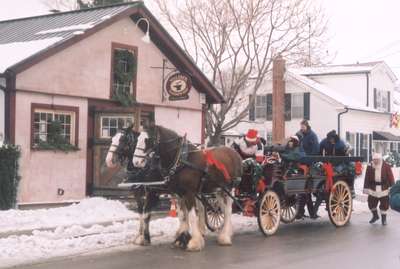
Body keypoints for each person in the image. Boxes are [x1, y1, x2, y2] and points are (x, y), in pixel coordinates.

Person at [296, 120, 319, 219]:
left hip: (309, 163)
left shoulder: (312, 136)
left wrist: (309, 159)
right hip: (300, 163)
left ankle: (303, 212)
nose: (302, 128)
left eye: (303, 126)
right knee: (304, 190)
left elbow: (315, 149)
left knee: (306, 190)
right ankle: (310, 213)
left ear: (307, 126)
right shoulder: (298, 134)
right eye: (301, 126)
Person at [363, 153, 395, 225]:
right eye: (374, 160)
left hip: (384, 189)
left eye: (377, 160)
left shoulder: (386, 166)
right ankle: (375, 216)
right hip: (373, 189)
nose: (375, 161)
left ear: (380, 159)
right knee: (371, 203)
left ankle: (384, 220)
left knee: (384, 204)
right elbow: (367, 178)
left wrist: (392, 187)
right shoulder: (370, 166)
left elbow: (390, 176)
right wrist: (366, 188)